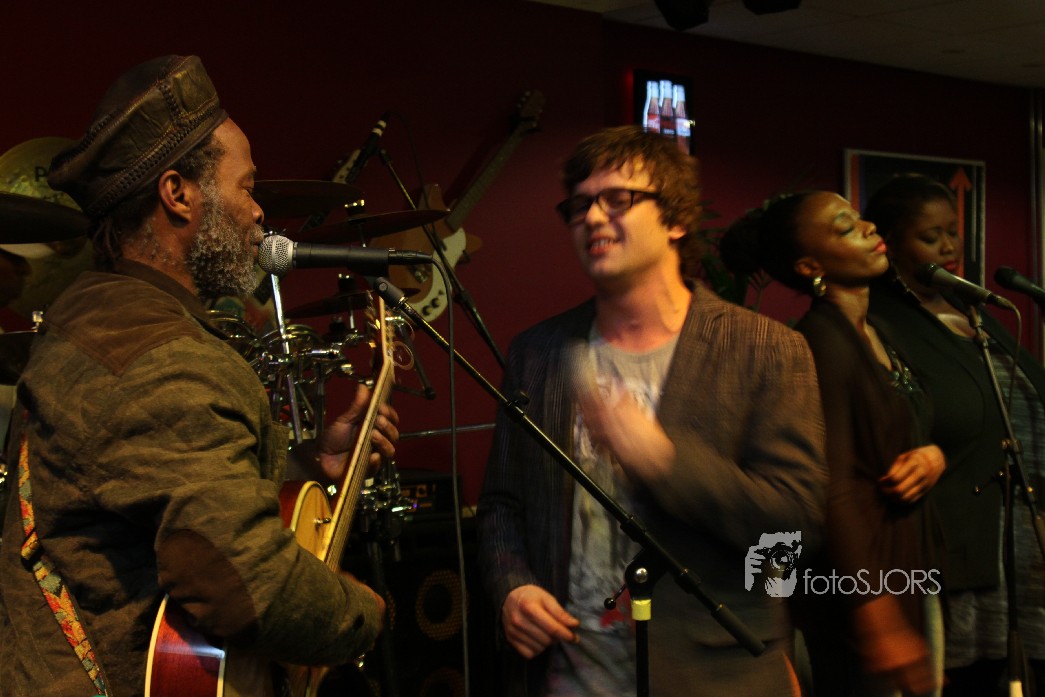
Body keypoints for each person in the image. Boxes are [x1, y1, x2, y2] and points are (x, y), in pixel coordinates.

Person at [0, 55, 399, 697]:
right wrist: (363, 614)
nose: (259, 212)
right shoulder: (168, 357)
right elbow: (248, 587)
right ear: (178, 193)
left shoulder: (92, 315)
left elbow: (153, 490)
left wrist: (306, 464)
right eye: (247, 187)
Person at [475, 125, 827, 696]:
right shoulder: (539, 352)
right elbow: (501, 504)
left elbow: (794, 529)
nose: (593, 217)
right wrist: (512, 586)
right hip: (567, 675)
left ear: (676, 219)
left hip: (712, 676)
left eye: (618, 199)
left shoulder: (767, 349)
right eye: (580, 206)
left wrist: (661, 460)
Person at [721, 190, 947, 696]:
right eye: (846, 227)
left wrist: (935, 457)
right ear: (810, 266)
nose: (869, 228)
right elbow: (832, 487)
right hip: (861, 585)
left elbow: (915, 428)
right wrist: (877, 615)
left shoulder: (879, 331)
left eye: (860, 218)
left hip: (906, 567)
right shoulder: (820, 343)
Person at [865, 174, 1045, 697]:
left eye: (952, 233)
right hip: (961, 547)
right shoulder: (881, 321)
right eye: (931, 236)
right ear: (890, 243)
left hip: (1023, 544)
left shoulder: (974, 310)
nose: (948, 247)